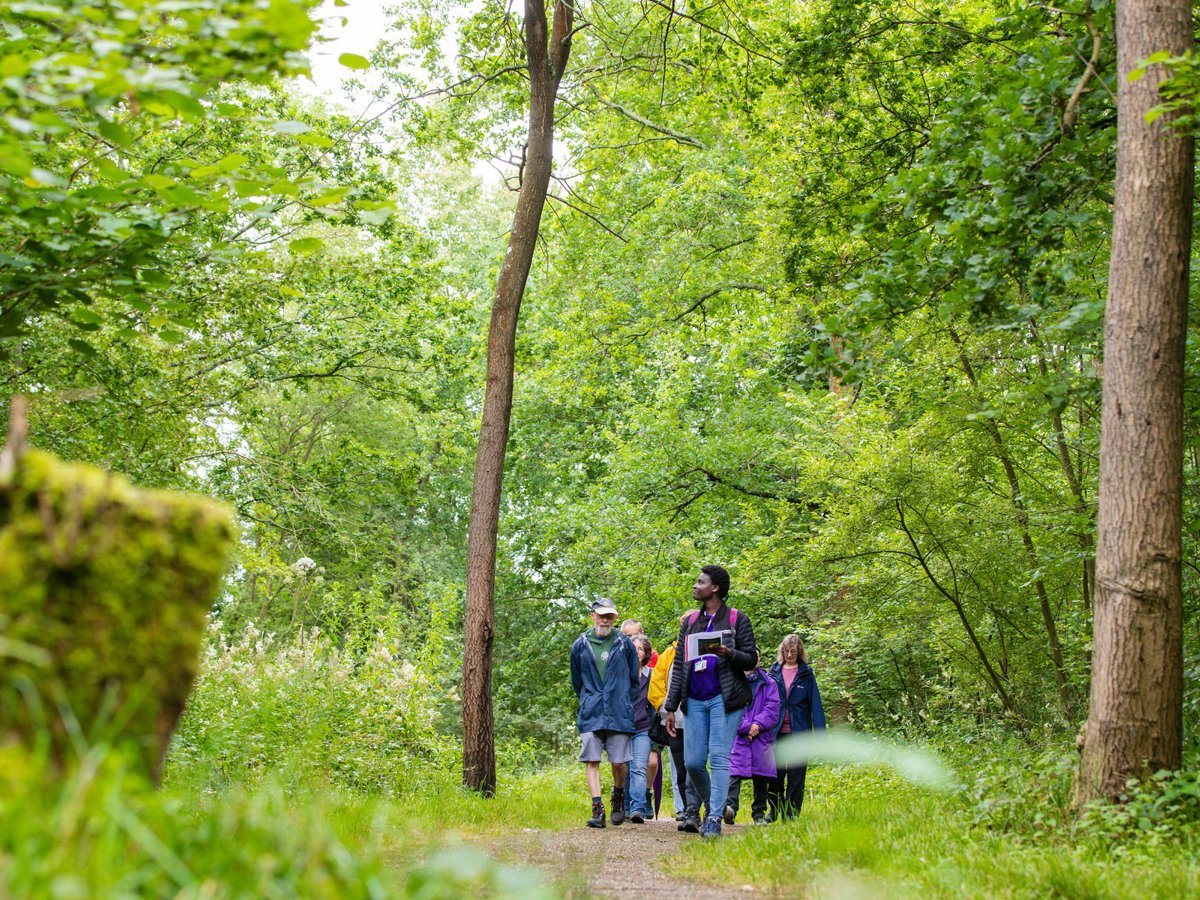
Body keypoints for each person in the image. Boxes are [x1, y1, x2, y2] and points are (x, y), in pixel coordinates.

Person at [664, 565, 758, 838]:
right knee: (692, 763)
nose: (695, 585)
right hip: (693, 699)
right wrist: (671, 707)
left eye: (700, 582)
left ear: (715, 588)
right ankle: (714, 804)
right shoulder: (690, 622)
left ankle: (714, 818)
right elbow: (680, 666)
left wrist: (730, 653)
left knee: (718, 758)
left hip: (724, 699)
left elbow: (751, 659)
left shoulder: (737, 619)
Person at [570, 599, 640, 828]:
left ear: (615, 618)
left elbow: (633, 679)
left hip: (619, 711)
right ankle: (597, 808)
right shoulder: (580, 645)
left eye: (609, 616)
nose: (604, 620)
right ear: (592, 615)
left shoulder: (624, 644)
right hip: (592, 711)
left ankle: (618, 794)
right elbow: (577, 681)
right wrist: (588, 699)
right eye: (601, 615)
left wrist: (624, 700)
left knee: (619, 763)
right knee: (591, 760)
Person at [768, 633, 826, 820]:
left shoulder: (806, 673)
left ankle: (791, 814)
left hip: (799, 731)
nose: (789, 654)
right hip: (776, 731)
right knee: (775, 775)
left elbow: (815, 705)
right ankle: (775, 810)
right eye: (786, 651)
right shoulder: (774, 671)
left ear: (799, 651)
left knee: (796, 777)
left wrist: (820, 735)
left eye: (793, 651)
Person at [725, 651, 781, 826]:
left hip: (761, 736)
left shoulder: (769, 683)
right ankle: (730, 808)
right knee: (734, 773)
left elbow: (773, 708)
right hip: (738, 735)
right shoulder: (732, 681)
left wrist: (757, 725)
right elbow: (729, 706)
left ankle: (758, 813)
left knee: (761, 776)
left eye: (755, 655)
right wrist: (746, 727)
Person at [648, 636, 689, 821]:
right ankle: (682, 808)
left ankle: (701, 806)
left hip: (700, 720)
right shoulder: (669, 654)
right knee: (677, 766)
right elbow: (656, 685)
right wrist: (665, 710)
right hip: (674, 720)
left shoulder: (708, 649)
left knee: (697, 764)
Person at [626, 634, 654, 823]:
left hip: (643, 728)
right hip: (622, 727)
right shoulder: (621, 673)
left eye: (640, 649)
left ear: (646, 654)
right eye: (633, 648)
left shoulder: (651, 675)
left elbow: (655, 703)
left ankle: (638, 808)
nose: (637, 652)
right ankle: (625, 806)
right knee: (623, 768)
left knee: (638, 768)